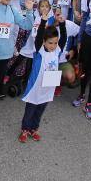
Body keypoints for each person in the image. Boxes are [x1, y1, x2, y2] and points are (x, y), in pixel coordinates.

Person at [18, 10, 67, 142]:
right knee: (30, 110)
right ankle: (25, 129)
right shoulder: (39, 50)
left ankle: (34, 128)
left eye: (55, 43)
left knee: (40, 110)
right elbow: (39, 36)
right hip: (36, 87)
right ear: (44, 42)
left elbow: (64, 39)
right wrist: (43, 21)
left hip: (48, 87)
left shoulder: (57, 51)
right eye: (50, 43)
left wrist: (62, 25)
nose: (53, 46)